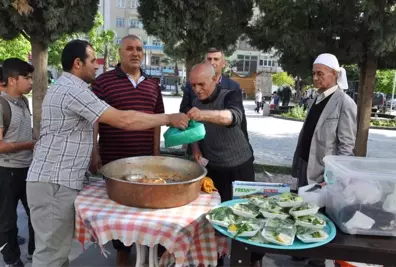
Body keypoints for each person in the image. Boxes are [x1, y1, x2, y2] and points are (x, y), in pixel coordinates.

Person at [26, 40, 189, 267]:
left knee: (57, 252)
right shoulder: (72, 91)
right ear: (77, 63)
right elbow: (124, 119)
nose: (97, 66)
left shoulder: (75, 89)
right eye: (93, 61)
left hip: (57, 181)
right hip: (53, 182)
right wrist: (169, 118)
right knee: (50, 254)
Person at [90, 34, 165, 265]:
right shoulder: (103, 82)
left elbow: (157, 120)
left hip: (145, 161)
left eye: (139, 49)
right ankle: (122, 250)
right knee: (118, 210)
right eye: (130, 49)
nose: (135, 53)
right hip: (114, 158)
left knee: (145, 206)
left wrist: (156, 153)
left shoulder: (153, 84)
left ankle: (146, 246)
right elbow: (95, 120)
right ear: (120, 53)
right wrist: (94, 151)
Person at [186, 63, 261, 267]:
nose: (197, 90)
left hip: (240, 167)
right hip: (214, 169)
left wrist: (203, 114)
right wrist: (195, 148)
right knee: (216, 219)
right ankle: (215, 259)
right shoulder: (195, 100)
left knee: (247, 216)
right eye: (193, 85)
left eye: (201, 84)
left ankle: (253, 261)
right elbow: (193, 128)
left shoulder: (230, 95)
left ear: (215, 80)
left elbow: (232, 117)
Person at [292, 53, 357, 267]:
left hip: (323, 172)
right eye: (314, 73)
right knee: (302, 207)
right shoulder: (316, 98)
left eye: (320, 73)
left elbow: (346, 147)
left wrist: (335, 178)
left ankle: (317, 258)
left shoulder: (344, 103)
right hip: (305, 165)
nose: (316, 77)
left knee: (320, 216)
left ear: (334, 74)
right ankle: (301, 247)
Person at [0, 58, 36, 267]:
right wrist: (29, 144)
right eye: (27, 77)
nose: (31, 81)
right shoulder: (2, 104)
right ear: (12, 80)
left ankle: (35, 251)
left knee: (35, 213)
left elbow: (27, 130)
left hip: (28, 168)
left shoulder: (23, 101)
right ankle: (12, 259)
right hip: (6, 171)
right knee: (7, 220)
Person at [179, 47, 241, 113]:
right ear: (205, 62)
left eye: (216, 59)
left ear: (223, 64)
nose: (212, 62)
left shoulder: (234, 87)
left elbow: (237, 113)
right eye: (209, 59)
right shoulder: (191, 84)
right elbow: (183, 108)